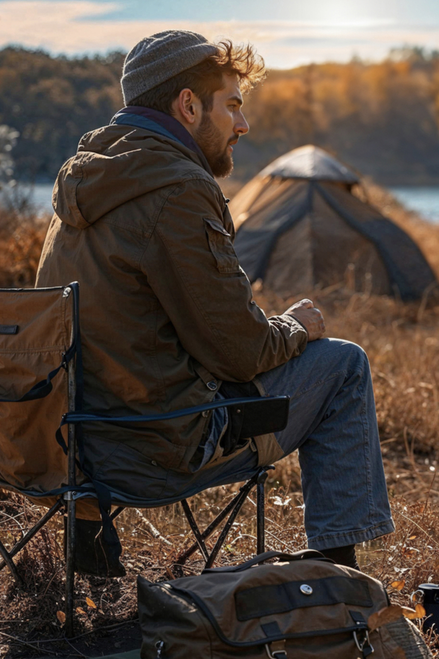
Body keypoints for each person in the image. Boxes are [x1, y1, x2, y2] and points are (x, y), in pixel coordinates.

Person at [35, 30, 393, 575]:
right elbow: (240, 353)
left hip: (66, 444)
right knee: (344, 364)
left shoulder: (83, 179)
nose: (243, 125)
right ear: (187, 105)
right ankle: (336, 576)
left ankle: (88, 535)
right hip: (154, 452)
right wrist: (294, 327)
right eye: (232, 106)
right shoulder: (177, 189)